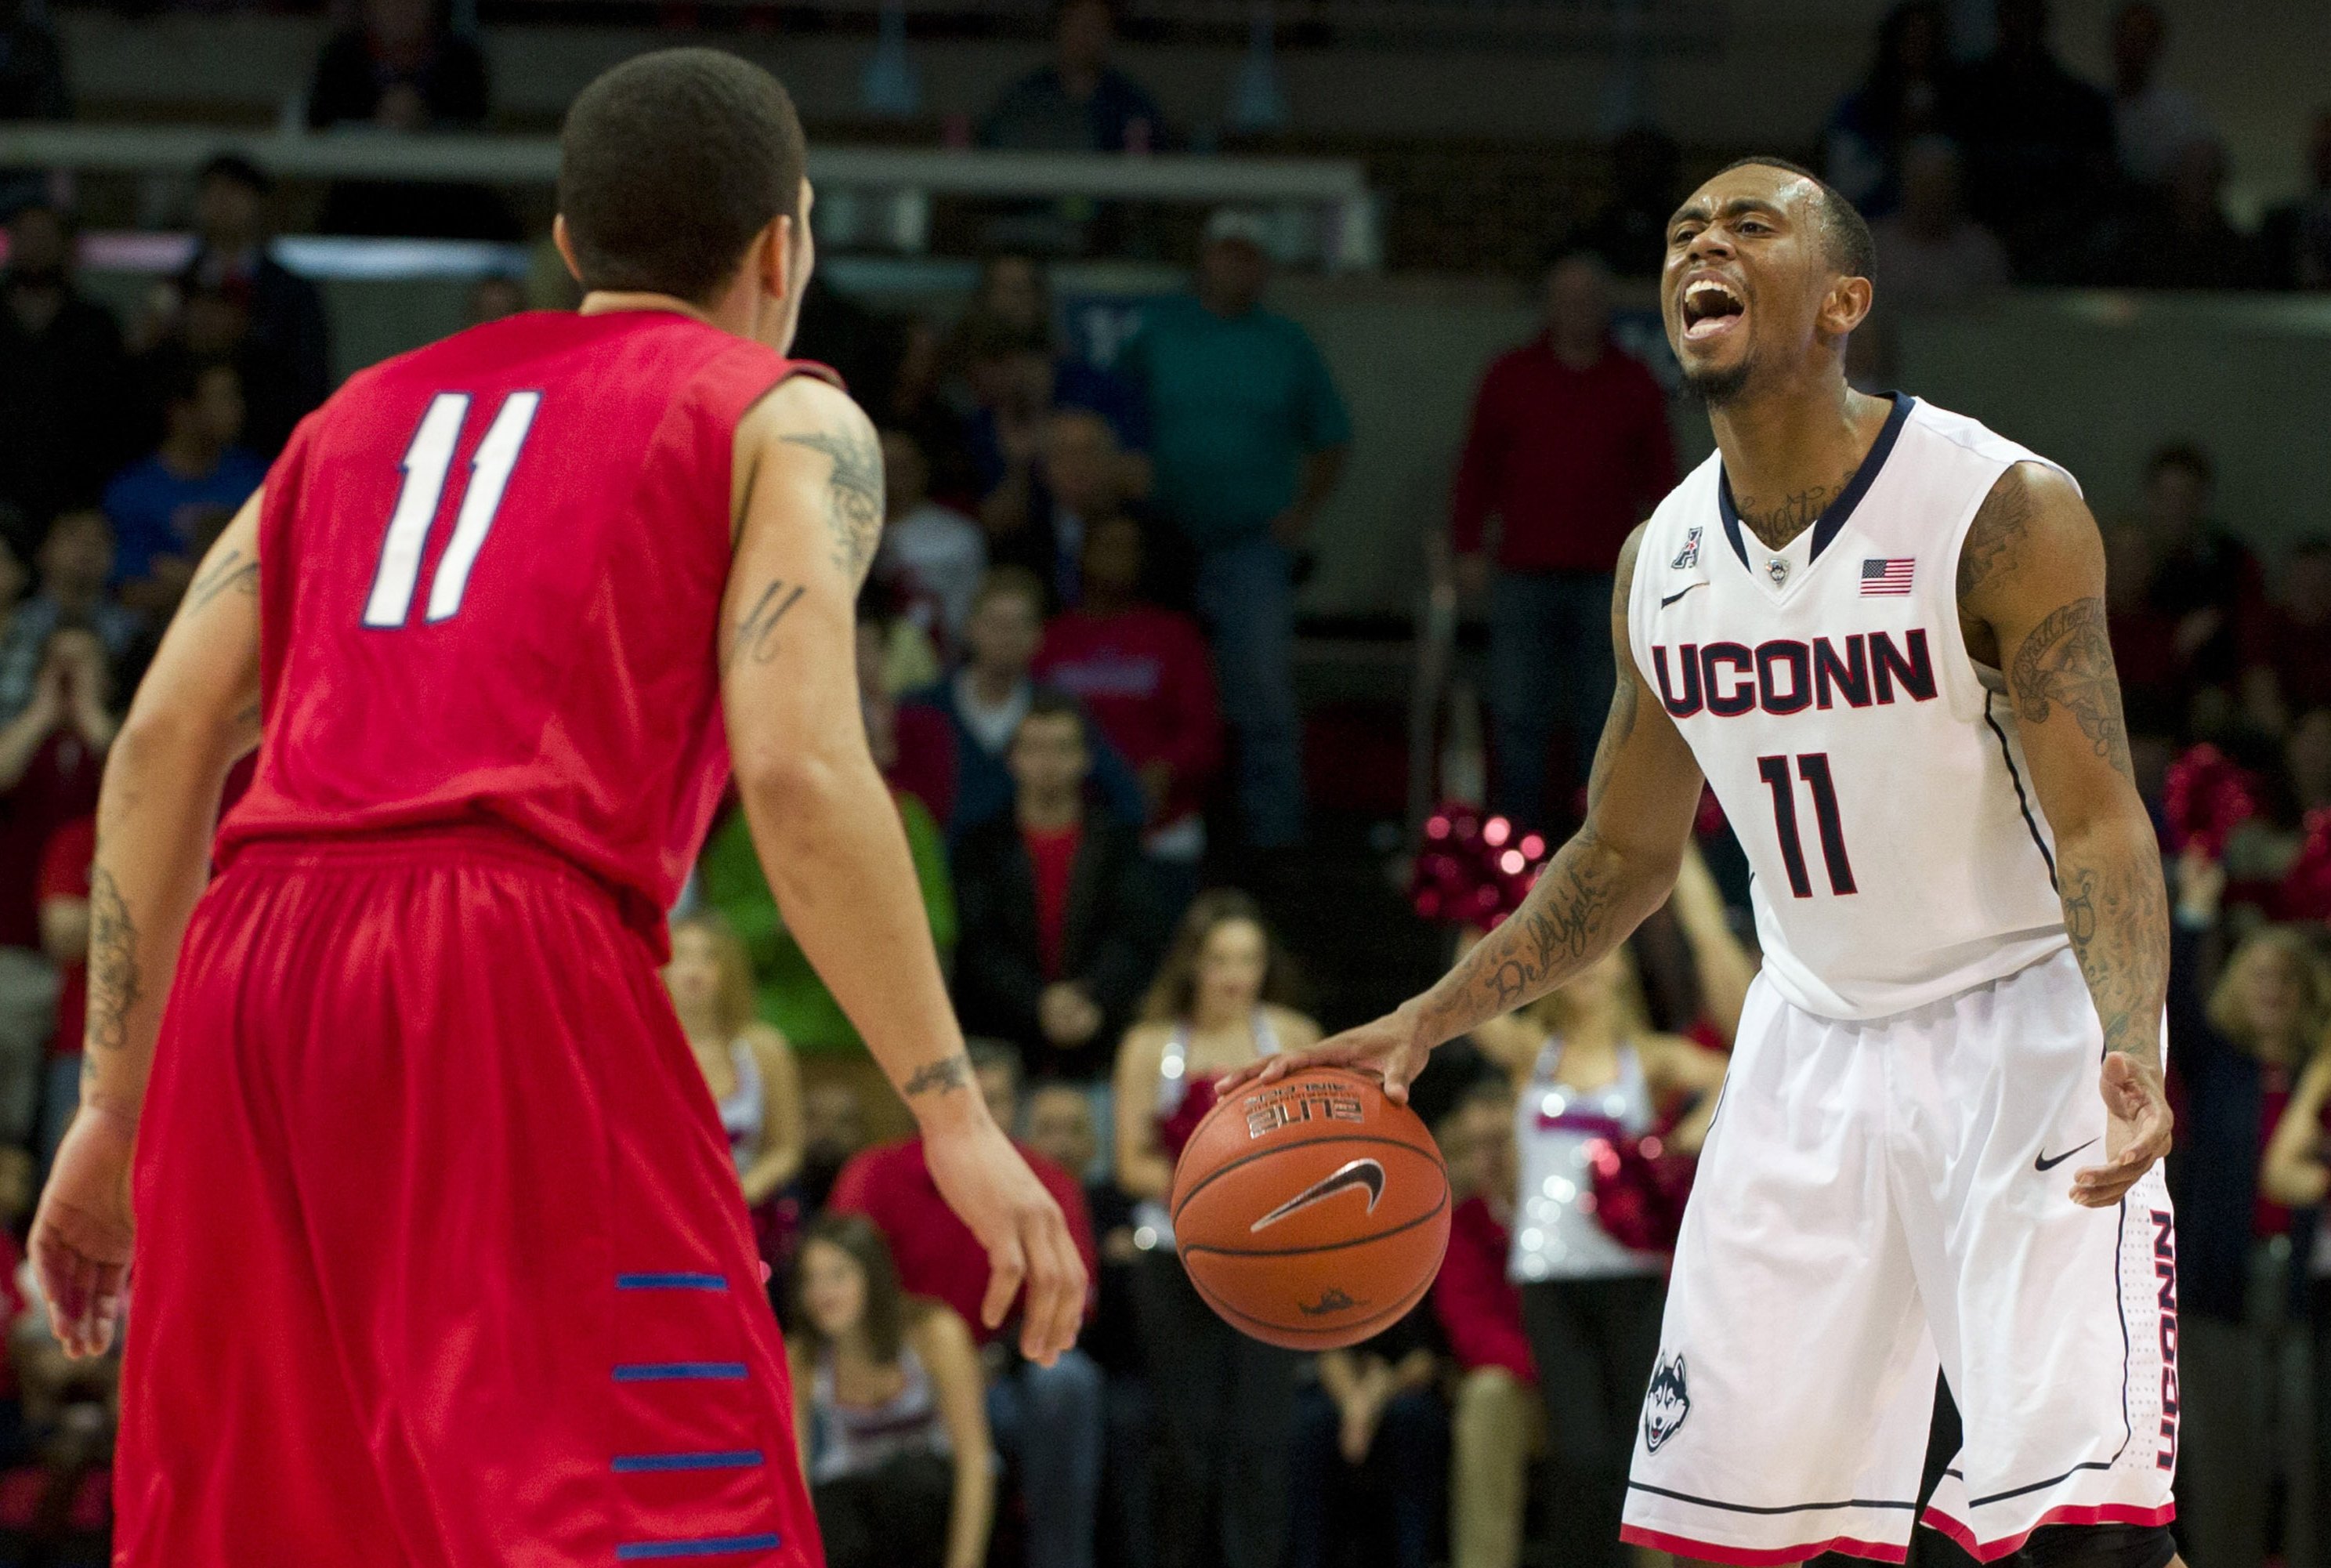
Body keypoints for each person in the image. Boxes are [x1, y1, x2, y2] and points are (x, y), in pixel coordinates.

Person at [30, 49, 1086, 1566]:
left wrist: (107, 1107)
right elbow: (797, 765)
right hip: (503, 950)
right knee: (656, 1517)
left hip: (252, 966)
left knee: (289, 1523)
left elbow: (160, 745)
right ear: (783, 245)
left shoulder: (352, 414)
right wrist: (953, 1113)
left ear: (571, 240)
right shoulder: (788, 418)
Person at [1240, 157, 2184, 1566]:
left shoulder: (2002, 510)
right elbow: (1621, 854)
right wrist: (1432, 1017)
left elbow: (2104, 819)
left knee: (2084, 1538)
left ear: (1844, 300)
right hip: (1809, 1042)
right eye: (1686, 232)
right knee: (1707, 1540)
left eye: (1752, 225)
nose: (1705, 245)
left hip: (2028, 1022)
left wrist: (2126, 1034)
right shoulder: (1660, 558)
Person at [1468, 946, 1728, 1568]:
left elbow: (1733, 1074)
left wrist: (1672, 1145)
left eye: (1603, 954)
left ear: (1621, 968)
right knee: (1579, 1453)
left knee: (1634, 1453)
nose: (1589, 967)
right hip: (1551, 1281)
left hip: (1632, 1281)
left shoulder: (1645, 1057)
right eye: (1576, 955)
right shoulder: (1534, 1053)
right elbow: (1476, 1007)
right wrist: (1485, 904)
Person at [1118, 208, 1349, 849]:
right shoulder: (1158, 332)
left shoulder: (1286, 343)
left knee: (1262, 694)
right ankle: (1150, 827)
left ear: (1263, 266)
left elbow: (1332, 438)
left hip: (1251, 546)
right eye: (1224, 252)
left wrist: (1300, 512)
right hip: (1161, 542)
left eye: (1248, 255)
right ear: (1203, 258)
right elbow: (1114, 411)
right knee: (1157, 681)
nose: (1234, 265)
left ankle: (1269, 840)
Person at [828, 1043, 1106, 1568]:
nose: (979, 1115)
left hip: (1009, 1366)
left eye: (994, 1099)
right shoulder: (876, 1173)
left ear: (1014, 1107)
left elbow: (1075, 1299)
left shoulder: (1047, 1181)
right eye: (963, 1099)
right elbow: (843, 1287)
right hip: (903, 1365)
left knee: (1068, 1380)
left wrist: (1001, 1357)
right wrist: (935, 1358)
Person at [1113, 889, 1321, 1568]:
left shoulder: (1293, 1034)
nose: (1235, 974)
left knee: (1263, 1439)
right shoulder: (1149, 1045)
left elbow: (1321, 1146)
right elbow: (1129, 1164)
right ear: (1191, 965)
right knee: (1186, 1440)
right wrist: (1219, 1188)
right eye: (1221, 959)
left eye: (1249, 959)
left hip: (1269, 1263)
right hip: (1177, 1259)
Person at [1450, 252, 1676, 827]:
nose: (1577, 310)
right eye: (1565, 298)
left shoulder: (1634, 381)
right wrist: (1468, 546)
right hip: (1523, 573)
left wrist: (1669, 566)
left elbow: (1664, 485)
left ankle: (1596, 845)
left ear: (1605, 308)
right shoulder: (1510, 375)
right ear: (1548, 306)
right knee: (1518, 715)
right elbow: (1476, 469)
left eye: (1588, 299)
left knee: (1606, 720)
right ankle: (1516, 848)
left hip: (1609, 580)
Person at [2168, 851, 2326, 1568]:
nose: (2271, 988)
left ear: (2305, 991)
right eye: (2258, 974)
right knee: (2222, 1444)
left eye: (2285, 977)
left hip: (2307, 1295)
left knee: (2305, 1449)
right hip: (2216, 1287)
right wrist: (2194, 912)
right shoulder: (2214, 1060)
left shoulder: (2315, 1071)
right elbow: (2168, 1000)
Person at [952, 692, 1165, 1082]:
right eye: (1034, 748)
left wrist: (1090, 996)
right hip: (1001, 1045)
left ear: (1085, 758)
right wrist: (1038, 1002)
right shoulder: (979, 846)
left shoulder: (1119, 843)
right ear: (1013, 758)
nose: (1048, 762)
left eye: (1061, 748)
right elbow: (977, 943)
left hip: (1099, 1035)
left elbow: (1136, 934)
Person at [788, 1214, 993, 1568]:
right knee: (832, 1511)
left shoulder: (934, 1332)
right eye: (810, 1279)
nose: (822, 1293)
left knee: (909, 1483)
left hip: (930, 1499)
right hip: (856, 1506)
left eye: (838, 1275)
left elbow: (975, 1462)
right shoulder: (802, 1357)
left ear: (872, 1275)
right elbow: (796, 1479)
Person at [1037, 507, 1219, 896]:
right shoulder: (1053, 639)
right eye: (1107, 545)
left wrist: (1165, 770)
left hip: (1163, 827)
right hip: (1067, 824)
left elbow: (1203, 734)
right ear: (1082, 554)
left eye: (1129, 548)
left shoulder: (1175, 636)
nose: (1117, 557)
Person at [904, 566, 1146, 837]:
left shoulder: (1061, 709)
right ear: (970, 629)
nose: (1007, 636)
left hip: (1029, 873)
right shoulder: (921, 709)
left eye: (1020, 624)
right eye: (996, 623)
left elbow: (1127, 798)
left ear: (1038, 636)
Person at [1432, 1080, 1543, 1568]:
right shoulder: (1463, 1225)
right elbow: (1472, 1334)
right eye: (1474, 1145)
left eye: (1500, 1141)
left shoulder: (1570, 1210)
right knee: (1487, 1395)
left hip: (1596, 1381)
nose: (1488, 1158)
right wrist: (1555, 1371)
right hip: (1532, 1389)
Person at [306, 0, 509, 240]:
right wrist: (377, 121)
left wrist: (425, 119)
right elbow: (318, 133)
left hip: (447, 200)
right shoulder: (340, 59)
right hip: (359, 200)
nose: (401, 8)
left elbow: (475, 132)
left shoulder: (461, 59)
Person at [1946, 0, 2116, 279]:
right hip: (1967, 249)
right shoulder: (1962, 93)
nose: (2019, 28)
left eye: (2027, 18)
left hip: (2059, 254)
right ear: (1999, 22)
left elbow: (2097, 191)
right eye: (2012, 17)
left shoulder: (2082, 103)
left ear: (2042, 24)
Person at [177, 154, 332, 455]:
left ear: (259, 203)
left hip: (268, 444)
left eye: (234, 192)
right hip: (189, 455)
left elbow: (310, 379)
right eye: (212, 192)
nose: (222, 204)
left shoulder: (292, 291)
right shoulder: (178, 284)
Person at [0, 205, 132, 540]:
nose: (35, 247)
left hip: (76, 499)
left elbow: (115, 417)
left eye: (45, 237)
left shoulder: (96, 326)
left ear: (67, 245)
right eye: (26, 237)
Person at [102, 355, 268, 617]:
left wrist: (187, 578)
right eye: (222, 398)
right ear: (182, 412)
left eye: (236, 397)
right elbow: (127, 592)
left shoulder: (258, 480)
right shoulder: (133, 492)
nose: (237, 408)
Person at [664, 911, 804, 1218]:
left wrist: (741, 1193)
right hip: (663, 1214)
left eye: (710, 957)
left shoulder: (764, 1049)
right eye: (683, 955)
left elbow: (786, 1149)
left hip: (745, 1215)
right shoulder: (642, 1046)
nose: (695, 970)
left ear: (731, 970)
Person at [0, 511, 143, 718]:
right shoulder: (11, 624)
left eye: (99, 539)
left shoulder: (135, 632)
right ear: (43, 550)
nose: (87, 548)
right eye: (73, 536)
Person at [980, 0, 1164, 154]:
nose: (1084, 37)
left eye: (1094, 27)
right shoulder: (1024, 98)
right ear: (1059, 29)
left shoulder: (1131, 102)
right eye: (1076, 25)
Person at [1822, 1, 1954, 212]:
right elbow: (1846, 182)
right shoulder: (1859, 108)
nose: (1919, 50)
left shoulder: (1957, 103)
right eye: (1911, 41)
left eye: (1926, 41)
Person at [1867, 138, 2011, 313]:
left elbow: (1996, 316)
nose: (1932, 197)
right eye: (1923, 186)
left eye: (1940, 186)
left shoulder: (1981, 252)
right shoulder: (1874, 249)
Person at [877, 427, 986, 650]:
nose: (892, 477)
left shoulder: (958, 535)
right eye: (883, 467)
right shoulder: (841, 533)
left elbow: (971, 613)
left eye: (902, 467)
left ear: (922, 467)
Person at [2107, 2, 2213, 193]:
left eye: (2143, 39)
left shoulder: (2177, 112)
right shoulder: (2087, 108)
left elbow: (2201, 157)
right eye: (2128, 37)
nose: (2133, 48)